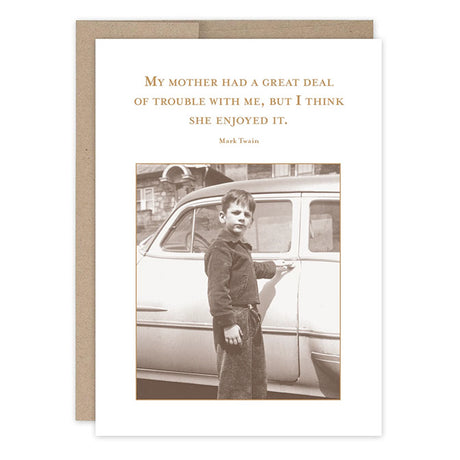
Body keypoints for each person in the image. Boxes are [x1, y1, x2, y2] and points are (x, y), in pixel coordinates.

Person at [204, 189, 291, 399]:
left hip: (249, 318)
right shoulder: (221, 248)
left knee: (255, 376)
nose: (242, 218)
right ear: (222, 216)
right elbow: (217, 291)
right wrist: (228, 324)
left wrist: (275, 267)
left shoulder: (240, 247)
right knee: (234, 382)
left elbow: (250, 269)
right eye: (236, 213)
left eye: (247, 215)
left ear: (251, 221)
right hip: (234, 319)